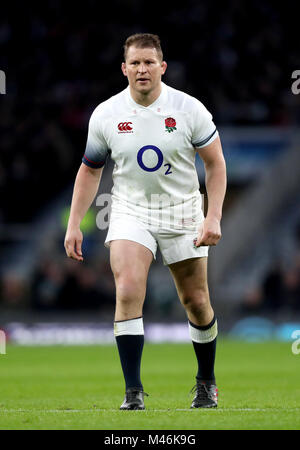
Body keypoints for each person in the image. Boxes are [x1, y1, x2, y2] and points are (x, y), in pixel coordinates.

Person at [64, 33, 227, 410]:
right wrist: (74, 224)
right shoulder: (106, 114)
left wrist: (213, 215)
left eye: (149, 62)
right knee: (127, 290)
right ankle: (133, 392)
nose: (142, 69)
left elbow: (215, 163)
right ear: (124, 69)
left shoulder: (189, 109)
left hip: (183, 211)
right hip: (129, 211)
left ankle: (206, 382)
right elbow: (90, 170)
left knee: (196, 301)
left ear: (162, 67)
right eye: (135, 63)